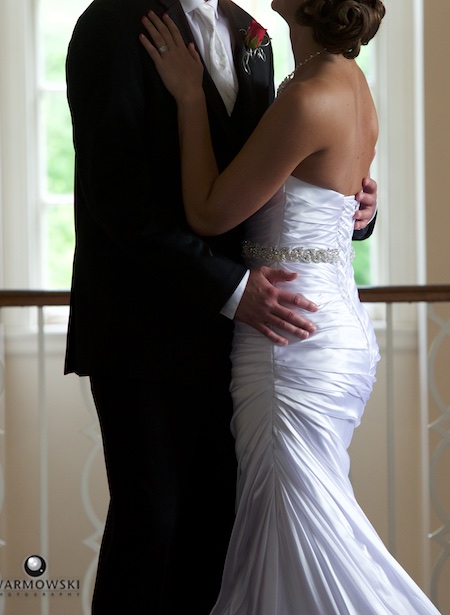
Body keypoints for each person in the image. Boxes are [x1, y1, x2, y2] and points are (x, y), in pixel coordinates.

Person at [64, 0, 377, 612]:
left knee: (221, 537)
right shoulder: (112, 24)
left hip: (246, 342)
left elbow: (274, 172)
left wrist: (357, 206)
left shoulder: (251, 32)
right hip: (146, 335)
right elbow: (115, 194)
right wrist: (230, 289)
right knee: (150, 525)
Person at [139, 0, 442, 613]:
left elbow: (207, 211)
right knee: (293, 537)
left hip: (288, 337)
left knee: (301, 539)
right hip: (330, 324)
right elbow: (332, 195)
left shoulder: (308, 96)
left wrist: (191, 99)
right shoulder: (348, 83)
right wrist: (366, 208)